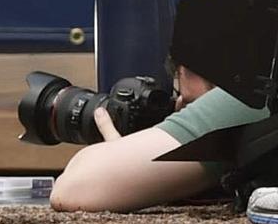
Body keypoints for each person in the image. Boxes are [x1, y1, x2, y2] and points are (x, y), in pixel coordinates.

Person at [50, 63, 270, 212]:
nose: (180, 107)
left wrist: (127, 165)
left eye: (189, 106)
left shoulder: (256, 92)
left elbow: (74, 189)